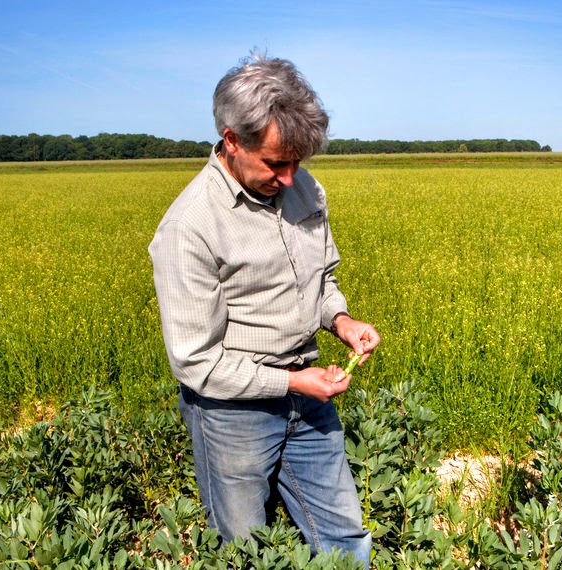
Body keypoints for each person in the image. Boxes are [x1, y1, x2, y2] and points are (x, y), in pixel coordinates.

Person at [148, 53, 380, 565]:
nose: (291, 177)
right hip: (233, 415)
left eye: (298, 161)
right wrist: (294, 382)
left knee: (345, 537)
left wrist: (341, 320)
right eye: (276, 163)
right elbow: (195, 362)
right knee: (246, 551)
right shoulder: (190, 227)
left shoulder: (304, 190)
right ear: (232, 141)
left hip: (310, 394)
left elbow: (321, 278)